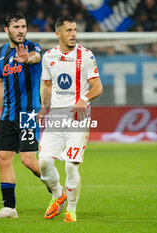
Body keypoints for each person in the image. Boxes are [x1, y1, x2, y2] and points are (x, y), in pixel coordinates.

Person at [37, 15, 103, 222]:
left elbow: (98, 87)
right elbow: (47, 85)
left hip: (78, 117)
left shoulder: (86, 55)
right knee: (45, 163)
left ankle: (71, 209)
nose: (73, 34)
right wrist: (43, 108)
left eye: (75, 30)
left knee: (70, 165)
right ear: (58, 34)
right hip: (56, 116)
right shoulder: (48, 57)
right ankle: (58, 195)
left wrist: (84, 99)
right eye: (69, 30)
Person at [0, 13, 46, 219]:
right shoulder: (1, 53)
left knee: (29, 161)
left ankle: (57, 190)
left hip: (28, 114)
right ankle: (9, 208)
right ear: (7, 30)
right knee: (2, 159)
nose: (21, 30)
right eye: (16, 27)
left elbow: (36, 58)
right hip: (7, 115)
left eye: (23, 26)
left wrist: (26, 58)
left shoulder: (33, 47)